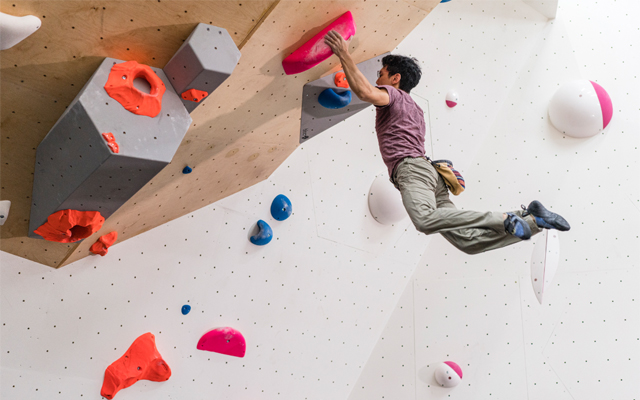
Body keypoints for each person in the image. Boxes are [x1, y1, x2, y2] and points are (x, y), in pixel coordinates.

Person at [324, 30, 570, 254]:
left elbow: (366, 92)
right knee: (469, 244)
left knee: (424, 220)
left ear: (396, 78)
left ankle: (505, 218)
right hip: (431, 177)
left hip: (412, 170)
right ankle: (534, 221)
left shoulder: (394, 96)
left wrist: (344, 55)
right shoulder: (416, 109)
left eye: (381, 75)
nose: (378, 80)